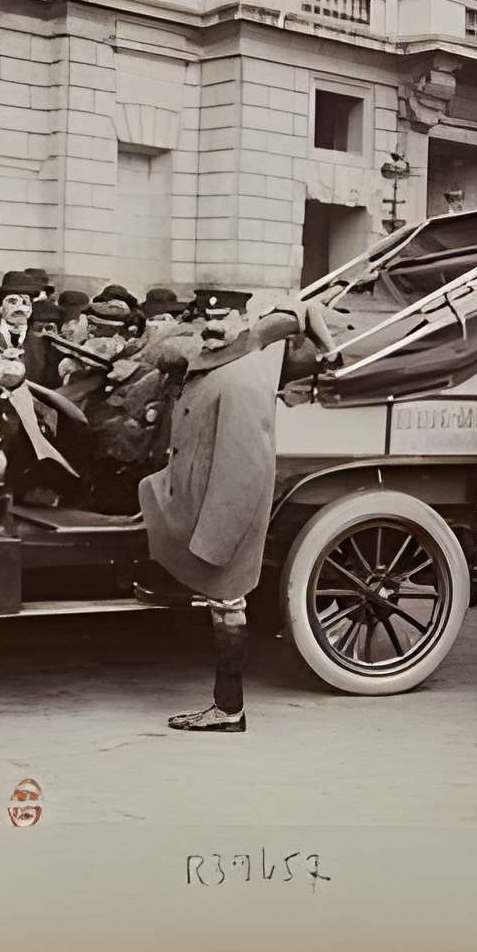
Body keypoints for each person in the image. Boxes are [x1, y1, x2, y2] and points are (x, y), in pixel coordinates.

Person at [135, 284, 335, 732]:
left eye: (222, 322)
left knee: (227, 603)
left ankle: (229, 709)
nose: (210, 331)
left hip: (224, 519)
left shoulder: (242, 378)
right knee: (221, 603)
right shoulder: (220, 366)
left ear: (245, 326)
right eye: (205, 324)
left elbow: (245, 470)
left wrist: (215, 542)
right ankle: (227, 707)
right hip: (201, 507)